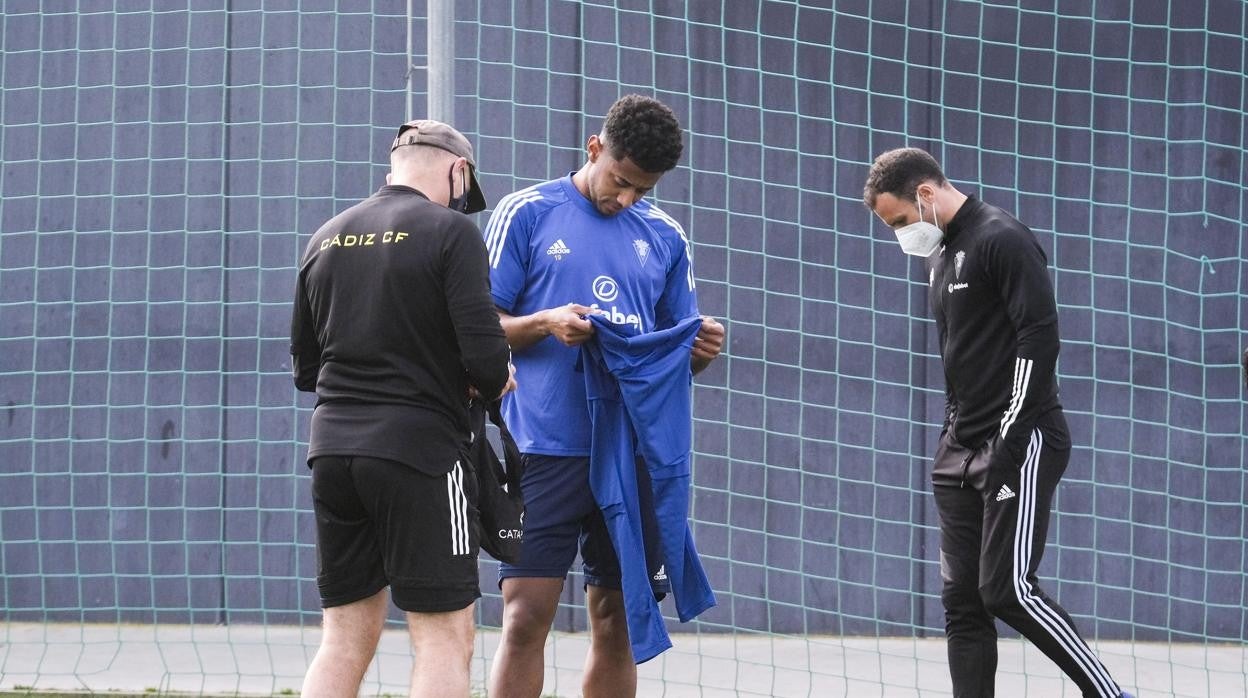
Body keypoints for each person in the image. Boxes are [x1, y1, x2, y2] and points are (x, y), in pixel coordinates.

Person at [863, 147, 1134, 698]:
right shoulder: (938, 256)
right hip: (959, 448)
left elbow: (1039, 338)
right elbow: (960, 354)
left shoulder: (1002, 238)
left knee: (1006, 590)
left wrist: (1007, 441)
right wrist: (953, 432)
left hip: (1021, 440)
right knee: (962, 602)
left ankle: (1109, 694)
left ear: (926, 194)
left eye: (898, 221)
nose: (899, 235)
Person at [483, 94, 726, 698]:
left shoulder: (666, 236)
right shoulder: (527, 212)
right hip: (545, 447)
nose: (627, 200)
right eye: (620, 182)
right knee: (525, 617)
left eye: (643, 190)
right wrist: (544, 323)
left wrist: (696, 354)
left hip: (632, 455)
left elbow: (666, 361)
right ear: (595, 148)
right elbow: (478, 329)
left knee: (617, 623)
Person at [290, 119, 516, 698]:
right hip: (421, 454)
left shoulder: (326, 235)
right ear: (457, 170)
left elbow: (306, 371)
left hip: (333, 453)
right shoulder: (451, 232)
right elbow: (487, 360)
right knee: (446, 636)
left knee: (342, 637)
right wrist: (492, 381)